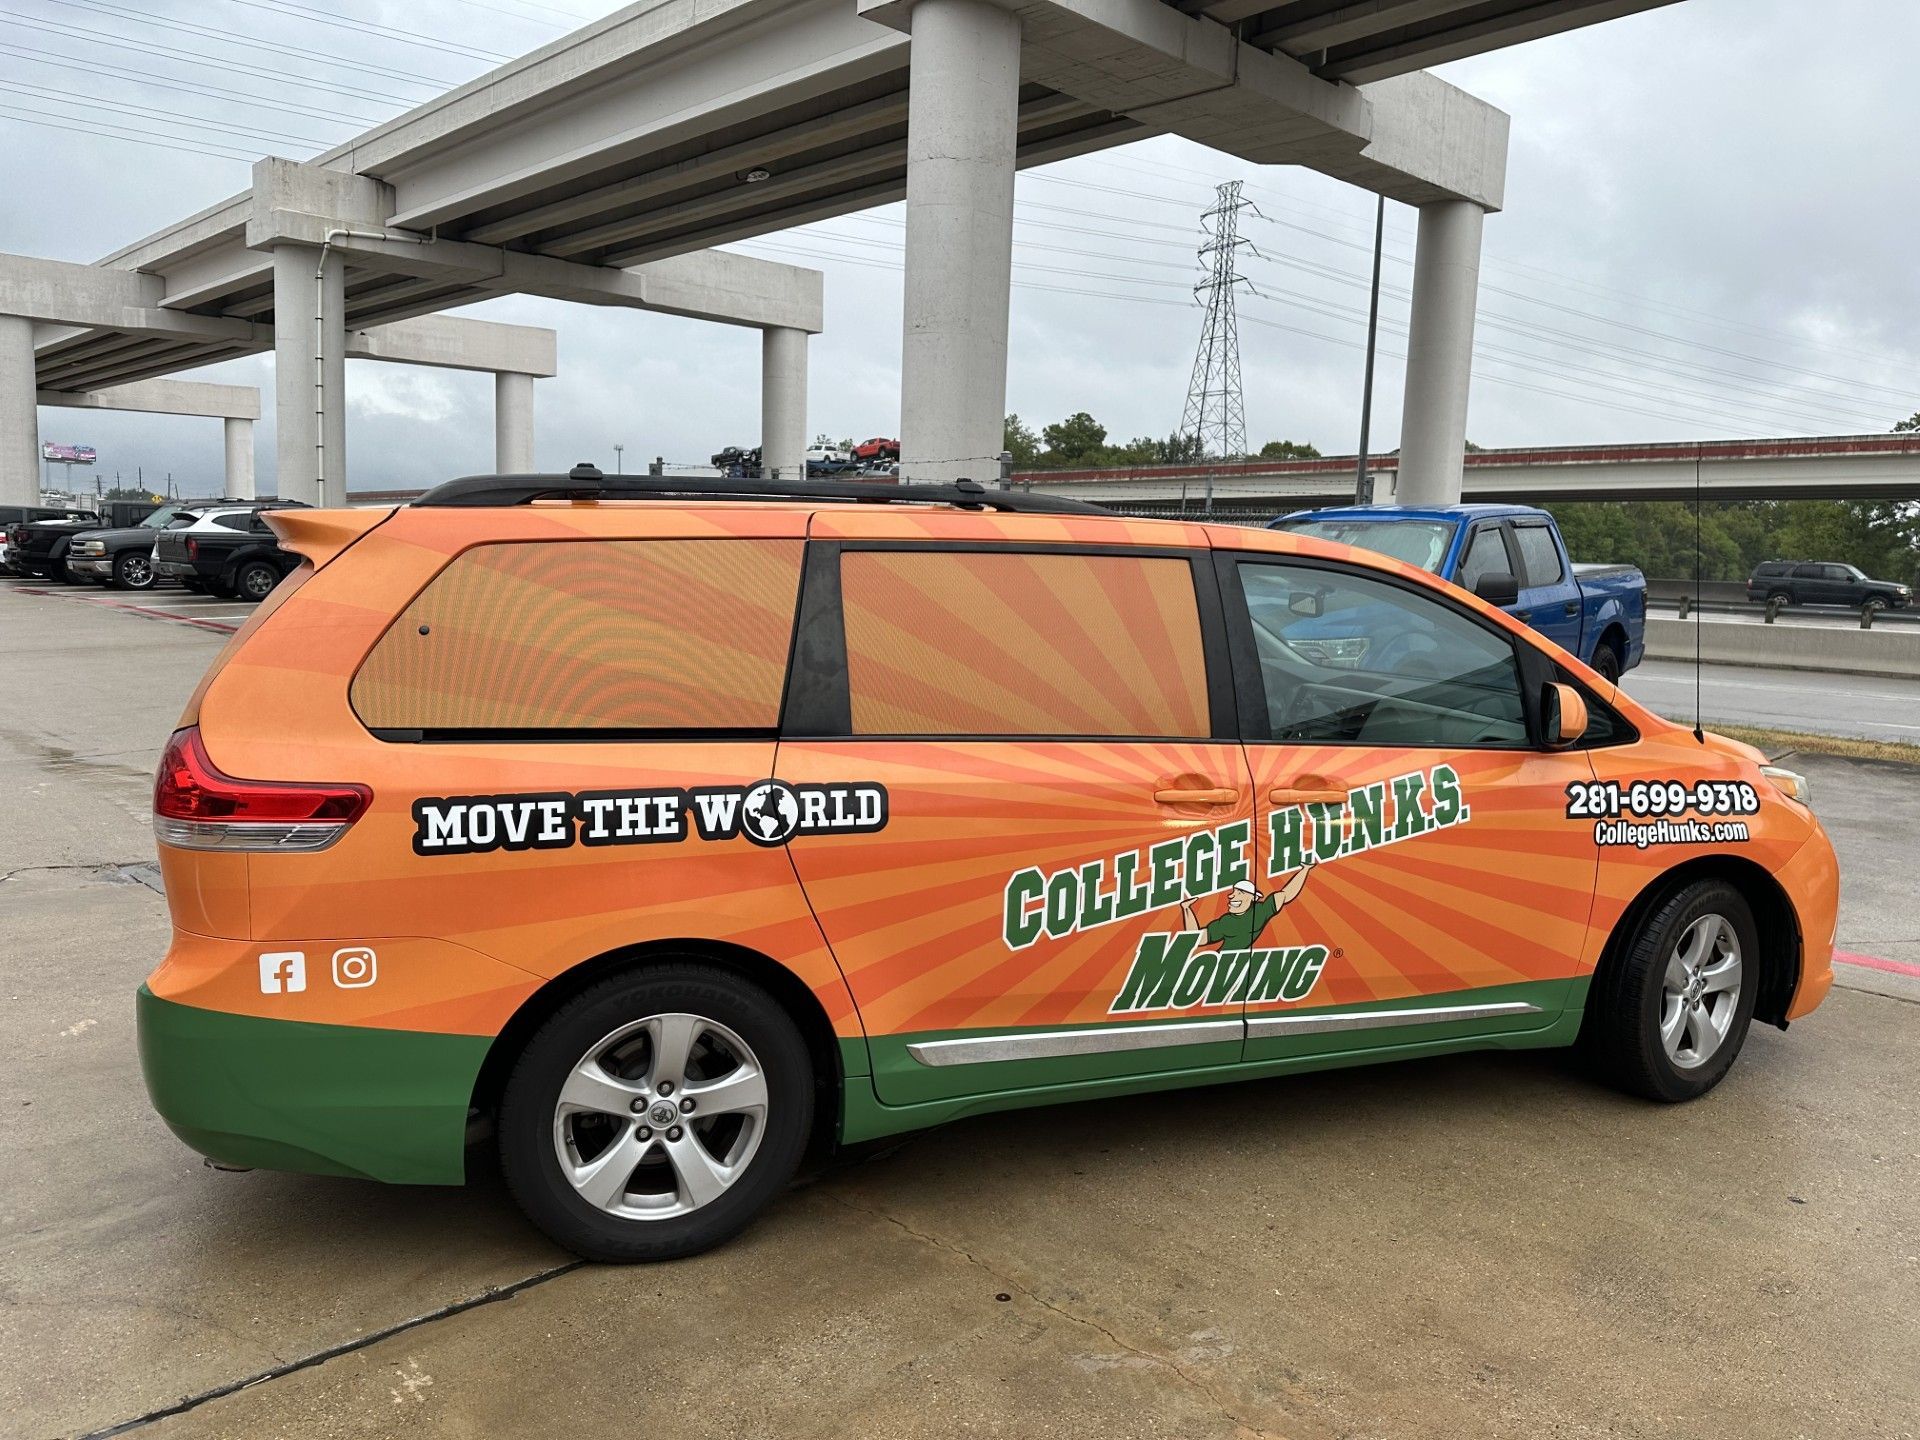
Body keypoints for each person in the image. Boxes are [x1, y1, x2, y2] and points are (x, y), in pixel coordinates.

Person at [1180, 854, 1316, 952]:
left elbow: (1285, 894)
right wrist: (1186, 909)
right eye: (1233, 892)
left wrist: (1304, 870)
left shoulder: (1261, 911)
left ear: (1253, 898)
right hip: (1219, 964)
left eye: (1239, 893)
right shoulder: (1226, 922)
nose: (1231, 896)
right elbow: (1197, 938)